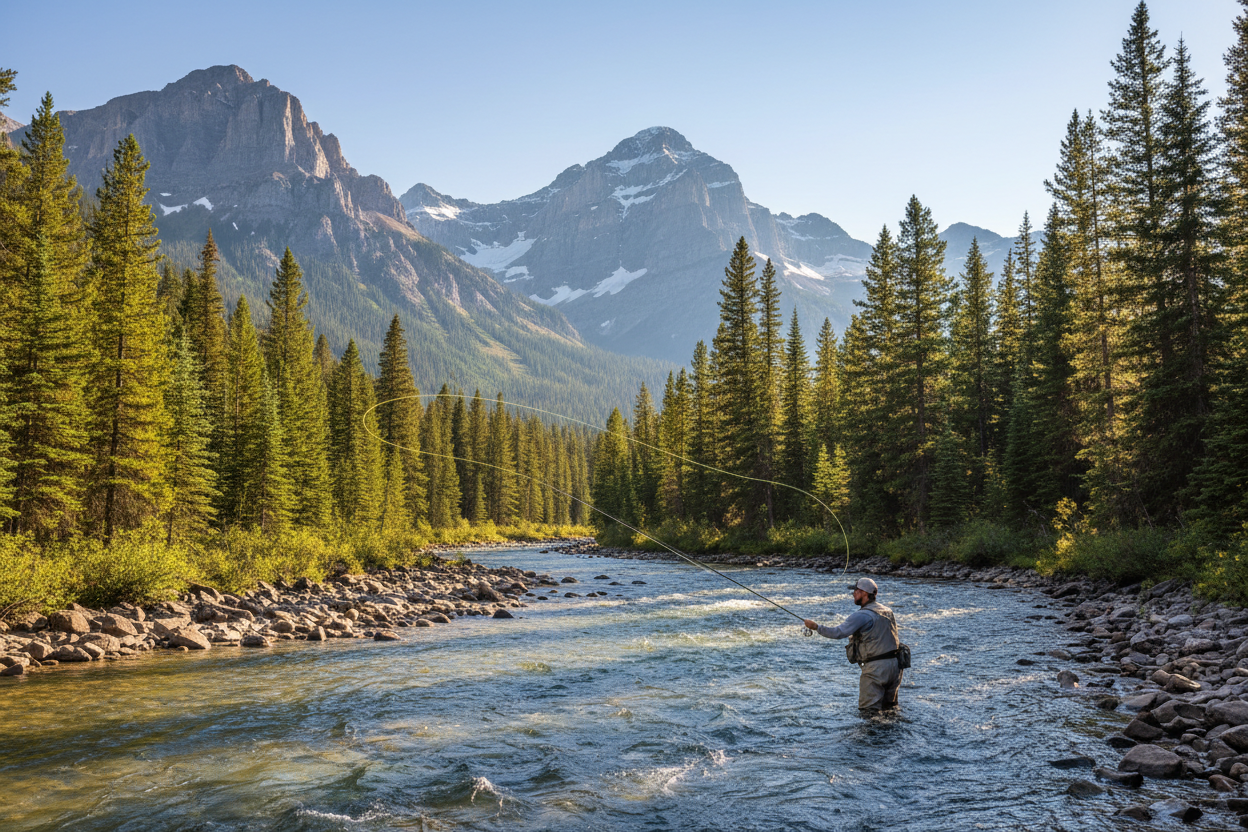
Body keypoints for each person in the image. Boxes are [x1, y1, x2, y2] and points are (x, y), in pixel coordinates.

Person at [803, 577, 902, 711]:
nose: (853, 594)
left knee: (869, 713)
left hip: (876, 669)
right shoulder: (887, 611)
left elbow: (838, 632)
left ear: (864, 593)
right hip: (896, 666)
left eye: (856, 590)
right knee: (890, 710)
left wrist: (816, 627)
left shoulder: (862, 615)